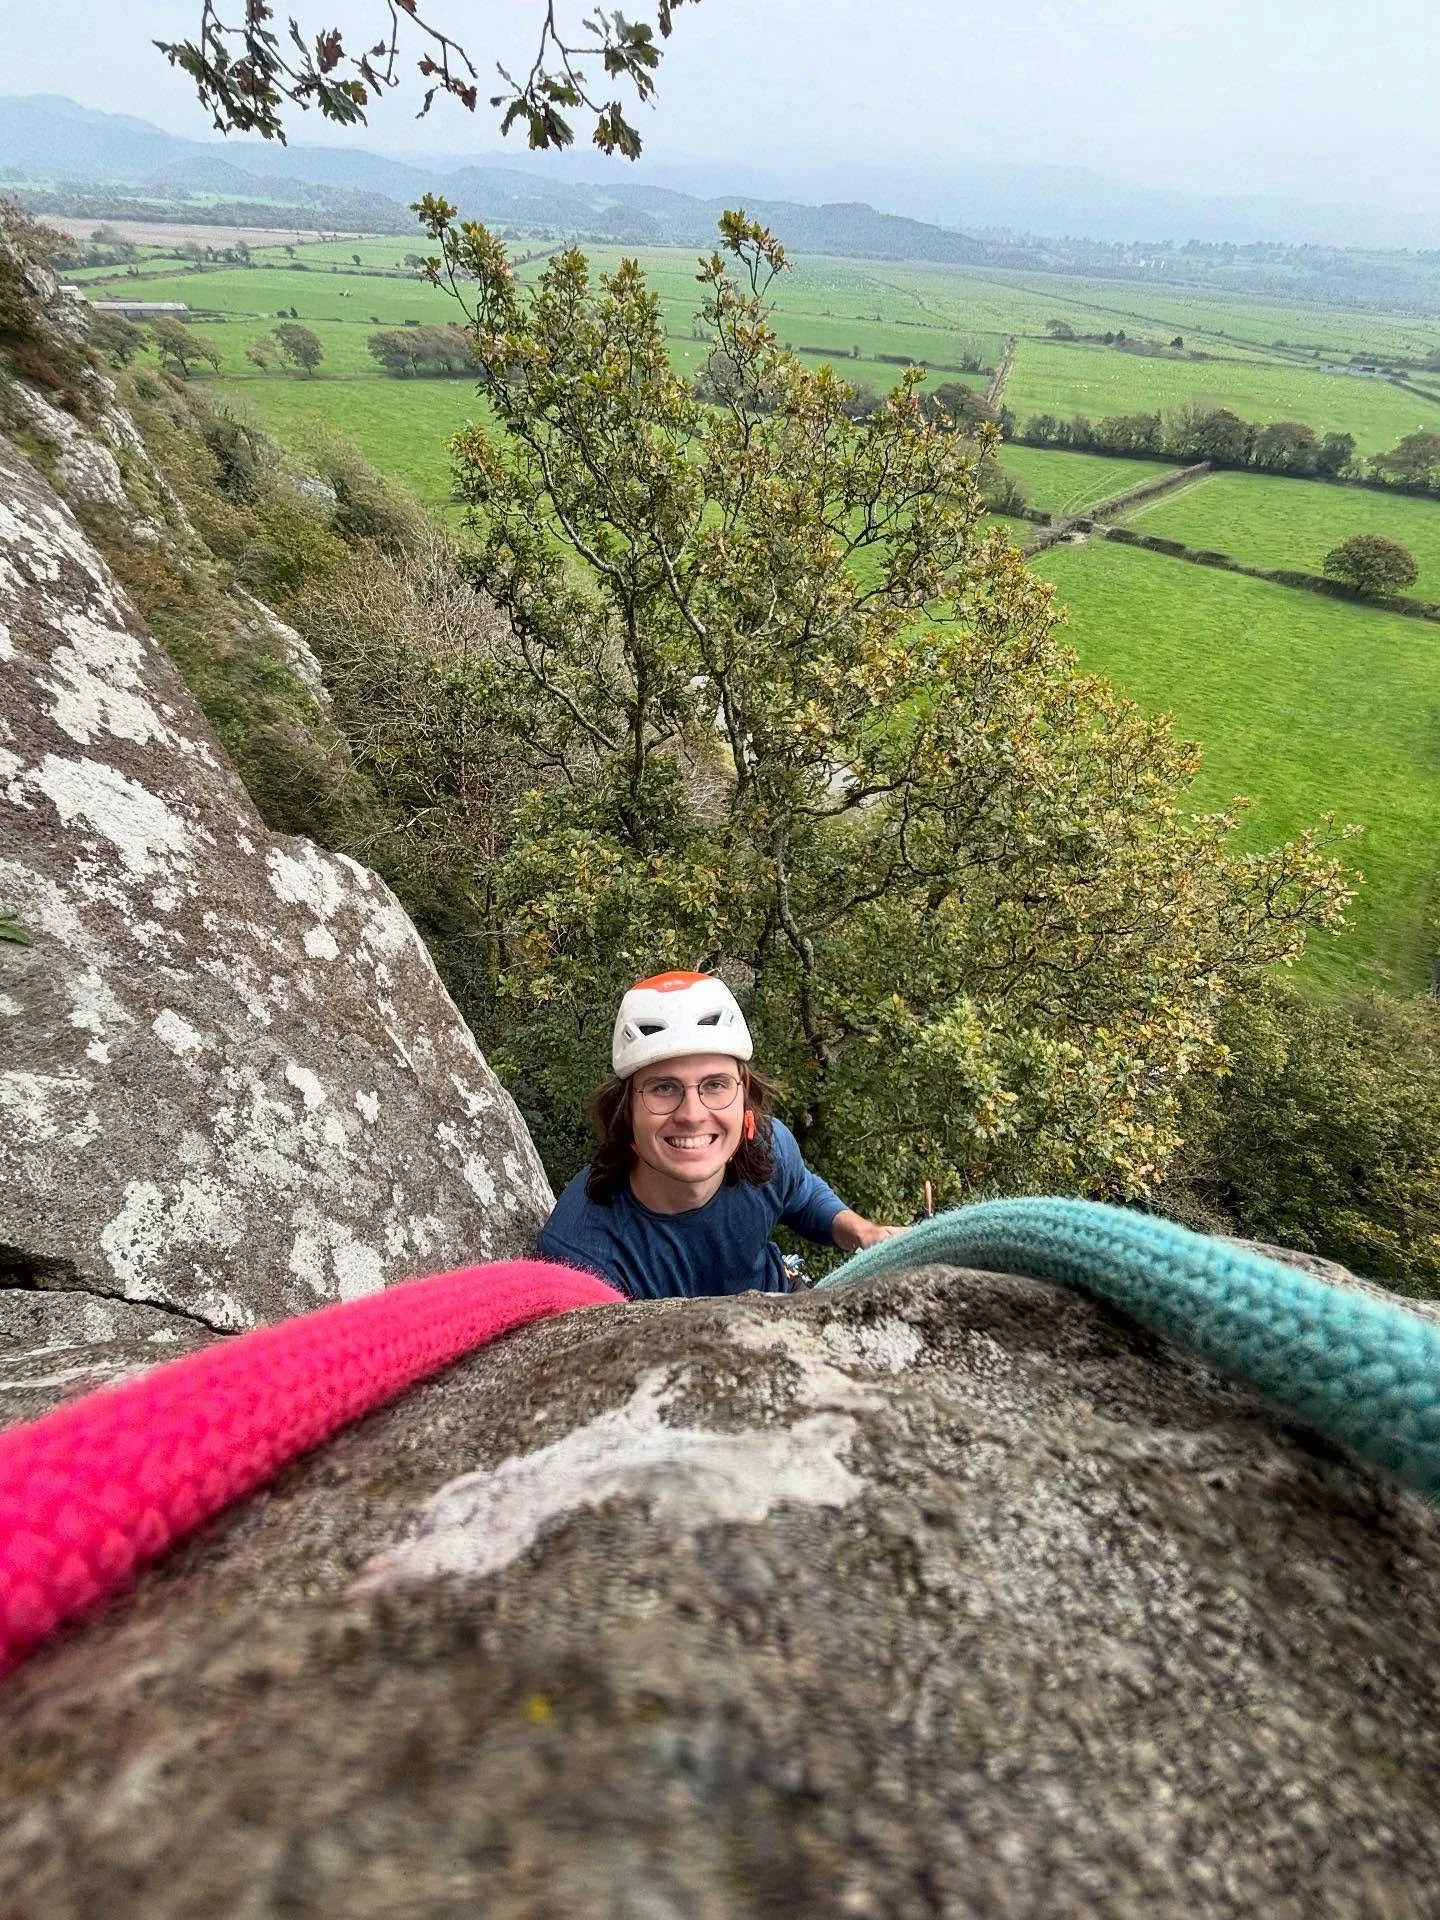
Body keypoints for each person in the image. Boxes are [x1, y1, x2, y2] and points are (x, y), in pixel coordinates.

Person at [537, 970, 902, 1300]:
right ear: (626, 1110)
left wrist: (863, 1233)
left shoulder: (768, 1146)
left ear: (744, 1093)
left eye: (715, 1085)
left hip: (785, 1306)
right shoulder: (581, 1253)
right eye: (663, 1088)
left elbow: (801, 1195)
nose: (692, 1114)